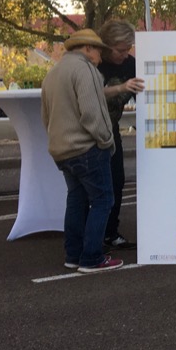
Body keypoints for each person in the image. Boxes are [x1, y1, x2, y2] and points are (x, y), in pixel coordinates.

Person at [41, 29, 123, 273]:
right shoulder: (86, 70)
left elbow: (45, 116)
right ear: (87, 48)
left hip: (62, 150)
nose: (100, 56)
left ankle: (73, 255)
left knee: (76, 201)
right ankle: (92, 257)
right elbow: (92, 113)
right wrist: (107, 140)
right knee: (103, 200)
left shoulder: (53, 73)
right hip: (87, 149)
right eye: (98, 50)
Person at [97, 19, 145, 250]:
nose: (126, 55)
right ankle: (92, 235)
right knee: (96, 185)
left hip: (112, 129)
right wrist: (121, 87)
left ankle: (111, 233)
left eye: (129, 49)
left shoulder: (131, 64)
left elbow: (147, 90)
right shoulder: (94, 63)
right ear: (106, 46)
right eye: (121, 50)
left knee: (117, 180)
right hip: (91, 131)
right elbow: (89, 92)